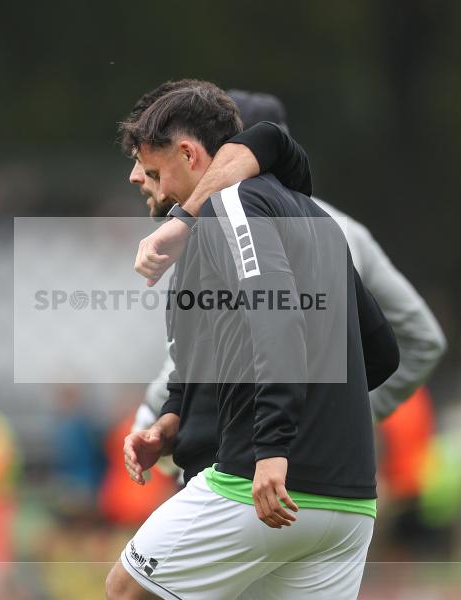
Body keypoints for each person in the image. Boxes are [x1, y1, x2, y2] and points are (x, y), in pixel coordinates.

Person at [106, 81, 398, 599]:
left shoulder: (230, 206)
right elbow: (379, 354)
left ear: (189, 154)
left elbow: (277, 319)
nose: (136, 178)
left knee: (129, 589)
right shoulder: (317, 218)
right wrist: (177, 417)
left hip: (261, 485)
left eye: (149, 168)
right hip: (348, 505)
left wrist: (273, 447)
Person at [130, 88, 447, 485]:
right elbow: (410, 343)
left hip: (241, 469)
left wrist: (151, 421)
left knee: (142, 551)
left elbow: (207, 352)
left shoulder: (222, 216)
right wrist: (339, 421)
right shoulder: (334, 223)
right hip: (333, 471)